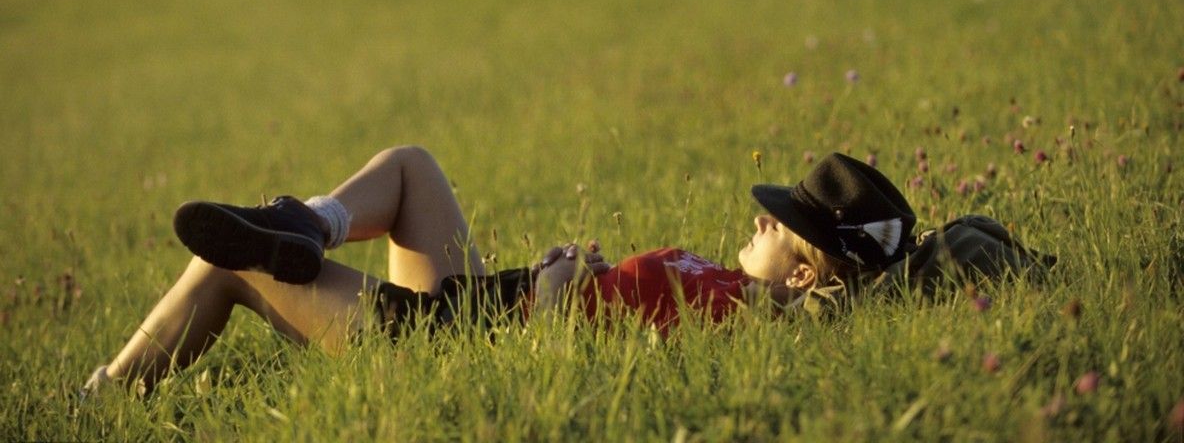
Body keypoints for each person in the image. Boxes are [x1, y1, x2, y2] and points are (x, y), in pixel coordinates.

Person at [82, 146, 1045, 396]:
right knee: (413, 166)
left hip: (445, 344)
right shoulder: (726, 289)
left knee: (226, 267)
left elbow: (569, 369)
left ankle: (104, 399)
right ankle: (309, 224)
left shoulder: (740, 321)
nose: (760, 220)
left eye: (780, 227)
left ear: (800, 279)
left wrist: (551, 297)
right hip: (479, 302)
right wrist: (577, 272)